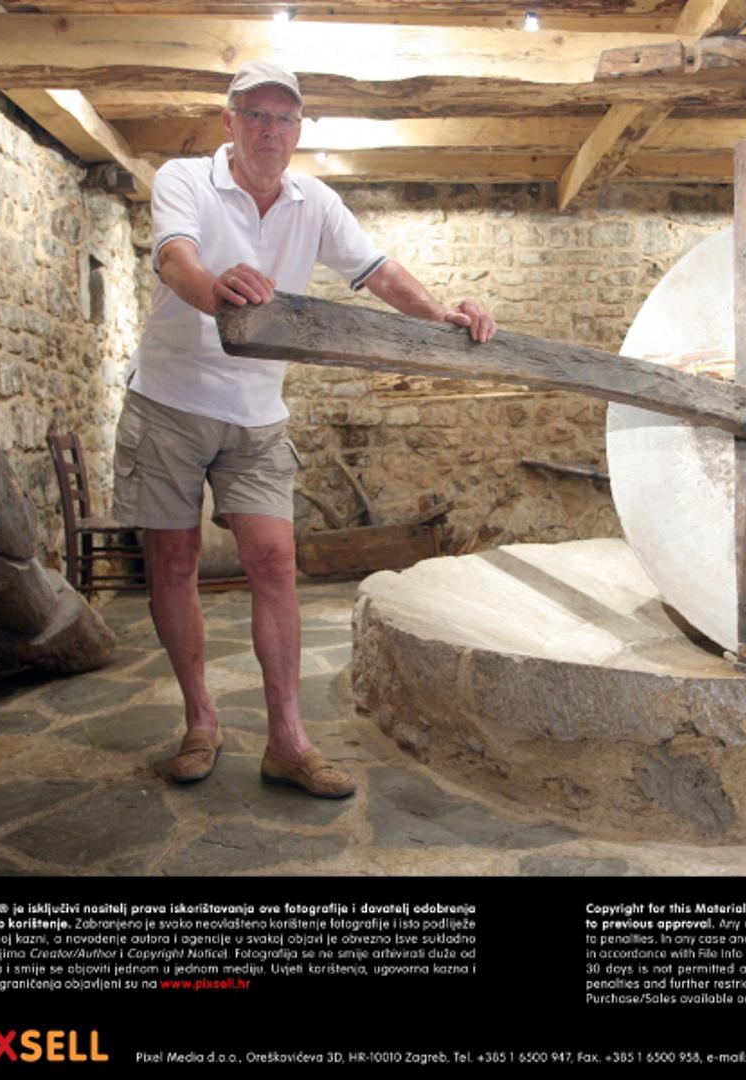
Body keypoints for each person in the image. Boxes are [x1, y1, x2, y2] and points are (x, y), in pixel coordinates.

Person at [113, 60, 496, 798]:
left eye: (283, 119)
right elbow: (174, 258)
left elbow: (377, 270)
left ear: (297, 130)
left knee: (274, 560)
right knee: (174, 560)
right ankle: (200, 720)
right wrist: (217, 293)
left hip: (257, 409)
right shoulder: (186, 179)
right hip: (170, 399)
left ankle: (287, 740)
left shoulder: (313, 201)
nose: (270, 130)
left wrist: (438, 313)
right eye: (255, 115)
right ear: (229, 122)